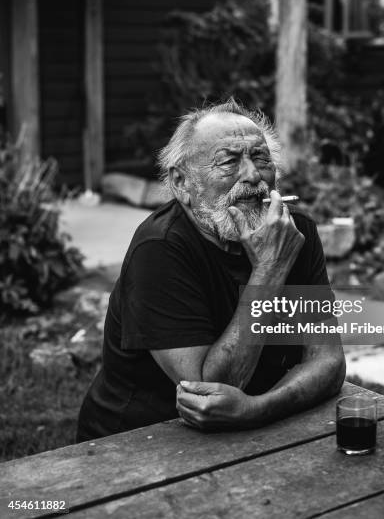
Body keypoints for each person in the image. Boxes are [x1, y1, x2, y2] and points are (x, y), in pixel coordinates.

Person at [76, 99, 345, 441]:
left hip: (251, 431)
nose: (252, 176)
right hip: (140, 440)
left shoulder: (294, 233)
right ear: (182, 184)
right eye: (229, 161)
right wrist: (270, 269)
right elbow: (211, 392)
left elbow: (330, 362)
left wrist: (257, 409)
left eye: (260, 158)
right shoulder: (160, 248)